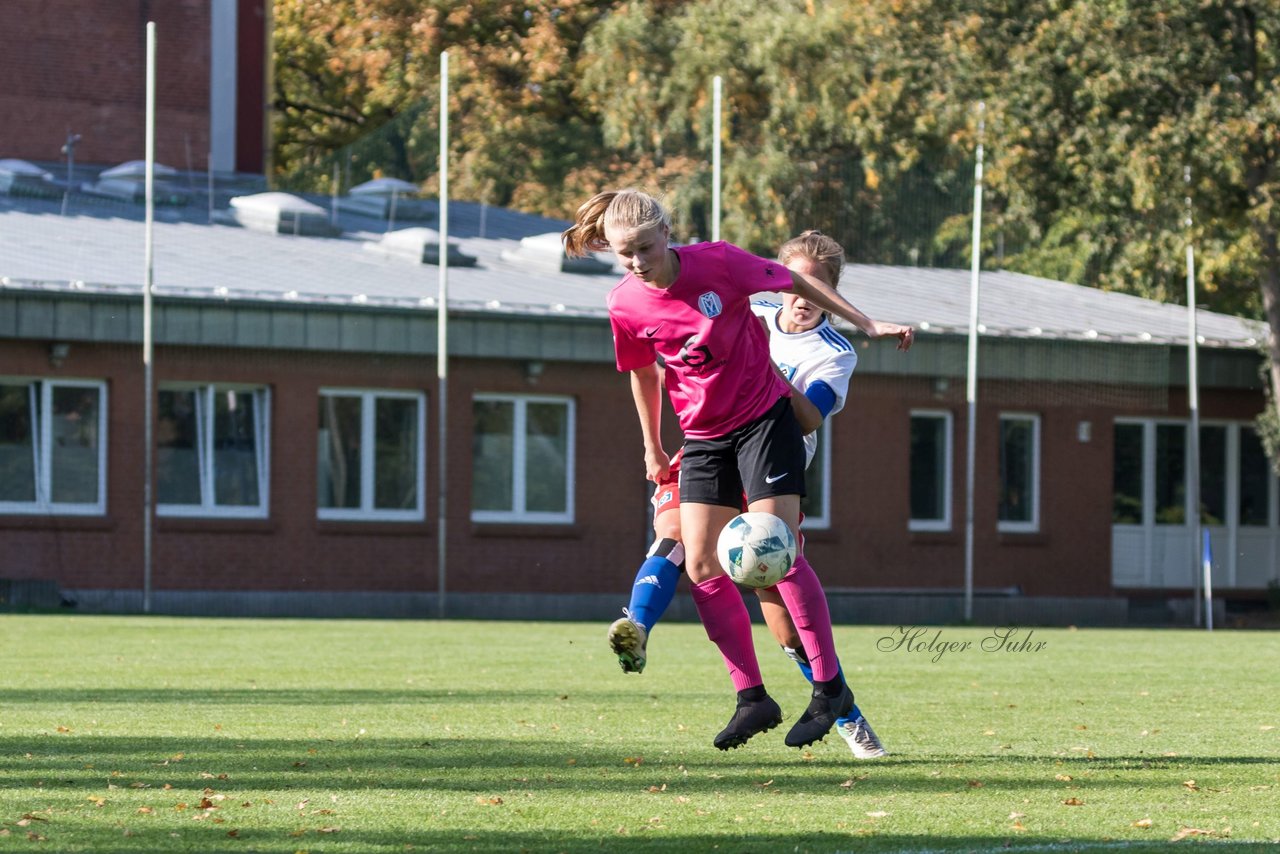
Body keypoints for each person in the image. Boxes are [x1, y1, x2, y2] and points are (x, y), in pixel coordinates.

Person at [562, 190, 913, 751]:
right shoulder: (625, 302)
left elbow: (796, 285)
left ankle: (829, 693)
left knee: (775, 550)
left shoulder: (721, 263)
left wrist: (868, 324)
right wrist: (652, 447)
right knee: (701, 565)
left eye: (646, 249)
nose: (637, 263)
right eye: (624, 253)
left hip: (764, 425)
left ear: (667, 233)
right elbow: (642, 373)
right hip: (703, 437)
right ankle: (753, 699)